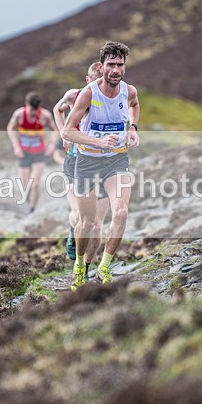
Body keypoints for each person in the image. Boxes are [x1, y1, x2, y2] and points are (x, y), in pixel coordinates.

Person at [62, 41, 139, 290]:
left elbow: (135, 106)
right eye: (111, 65)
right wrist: (96, 141)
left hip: (116, 159)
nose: (115, 70)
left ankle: (104, 267)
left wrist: (133, 129)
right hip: (87, 161)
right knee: (87, 223)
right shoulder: (89, 94)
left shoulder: (129, 91)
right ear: (101, 66)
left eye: (120, 65)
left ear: (124, 67)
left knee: (121, 212)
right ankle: (80, 268)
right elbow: (68, 132)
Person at [53, 62, 110, 270]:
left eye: (101, 82)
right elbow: (56, 110)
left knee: (96, 226)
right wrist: (63, 133)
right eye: (94, 82)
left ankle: (84, 269)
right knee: (79, 216)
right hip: (75, 162)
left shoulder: (110, 99)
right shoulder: (74, 96)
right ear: (87, 81)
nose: (97, 86)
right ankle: (72, 230)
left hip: (102, 166)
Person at [6, 91, 58, 213]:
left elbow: (55, 130)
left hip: (39, 153)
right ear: (26, 105)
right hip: (23, 153)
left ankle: (32, 209)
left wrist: (52, 145)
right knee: (25, 186)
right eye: (31, 110)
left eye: (36, 110)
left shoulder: (45, 115)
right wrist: (16, 146)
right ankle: (29, 201)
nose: (34, 113)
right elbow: (10, 128)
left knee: (34, 184)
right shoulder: (19, 114)